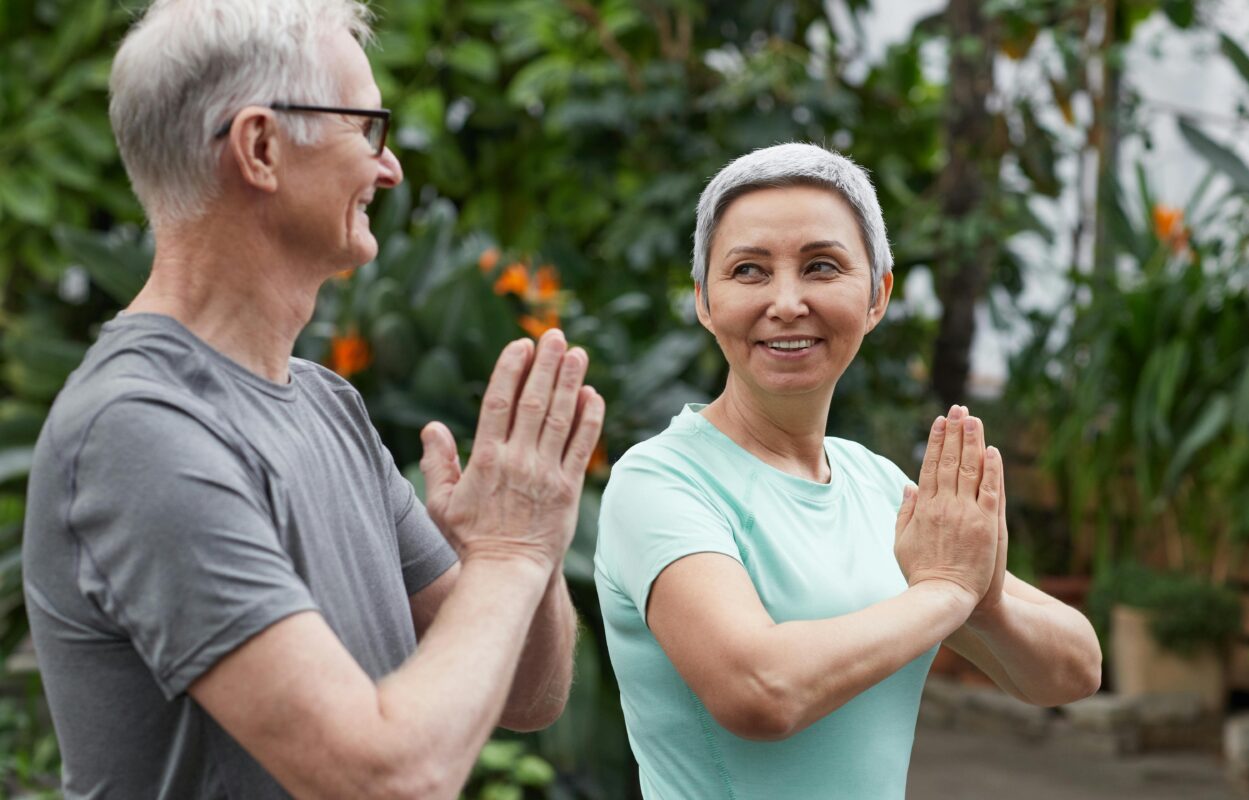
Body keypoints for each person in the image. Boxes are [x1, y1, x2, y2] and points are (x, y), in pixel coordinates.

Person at [21, 1, 604, 797]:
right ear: (260, 147)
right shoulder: (138, 429)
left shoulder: (329, 405)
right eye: (366, 127)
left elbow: (525, 697)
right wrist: (511, 555)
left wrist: (529, 541)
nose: (389, 167)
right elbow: (385, 776)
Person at [594, 142, 1102, 799]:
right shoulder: (661, 482)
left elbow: (1075, 668)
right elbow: (760, 691)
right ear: (703, 300)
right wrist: (945, 594)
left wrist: (986, 596)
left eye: (821, 266)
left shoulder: (875, 484)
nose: (785, 301)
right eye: (748, 270)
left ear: (876, 296)